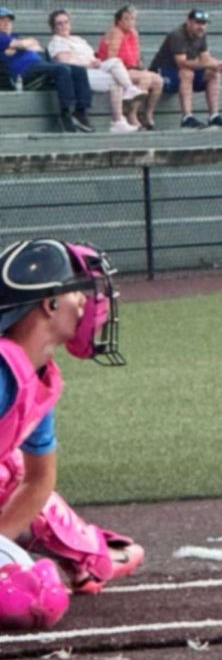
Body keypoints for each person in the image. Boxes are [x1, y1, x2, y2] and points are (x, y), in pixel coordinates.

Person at [0, 238, 144, 630]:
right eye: (77, 291)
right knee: (34, 599)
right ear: (49, 303)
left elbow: (38, 479)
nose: (87, 302)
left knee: (13, 474)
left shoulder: (34, 375)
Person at [47, 9, 144, 135]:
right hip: (81, 73)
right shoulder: (57, 41)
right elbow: (65, 63)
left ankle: (126, 99)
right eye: (59, 23)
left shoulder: (78, 39)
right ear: (53, 27)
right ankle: (119, 118)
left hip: (94, 68)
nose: (63, 26)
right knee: (115, 80)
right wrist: (87, 64)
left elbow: (91, 56)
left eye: (66, 22)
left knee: (116, 61)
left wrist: (96, 61)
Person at [0, 6, 95, 134]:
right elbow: (26, 44)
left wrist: (21, 45)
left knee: (79, 71)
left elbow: (35, 45)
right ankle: (66, 114)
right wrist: (24, 44)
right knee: (62, 69)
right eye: (2, 20)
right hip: (24, 73)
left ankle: (80, 112)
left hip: (39, 65)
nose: (6, 24)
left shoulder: (12, 37)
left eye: (9, 21)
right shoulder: (2, 38)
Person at [149, 8, 222, 129]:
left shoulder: (201, 35)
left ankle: (214, 116)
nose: (201, 27)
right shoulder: (177, 35)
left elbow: (205, 58)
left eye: (204, 23)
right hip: (164, 73)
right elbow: (181, 63)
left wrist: (217, 64)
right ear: (188, 22)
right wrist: (207, 64)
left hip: (182, 73)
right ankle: (187, 117)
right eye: (198, 23)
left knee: (213, 73)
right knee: (187, 73)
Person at [98, 6, 163, 130]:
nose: (131, 22)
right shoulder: (116, 32)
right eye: (127, 19)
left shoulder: (133, 33)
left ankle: (148, 114)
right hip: (116, 70)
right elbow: (112, 58)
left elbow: (136, 57)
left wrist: (139, 65)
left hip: (131, 68)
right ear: (119, 21)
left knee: (158, 80)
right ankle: (131, 115)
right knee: (145, 78)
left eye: (133, 19)